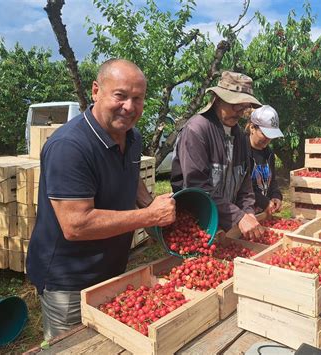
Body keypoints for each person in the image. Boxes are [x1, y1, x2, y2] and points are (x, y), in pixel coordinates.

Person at [26, 59, 176, 340]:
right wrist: (149, 216)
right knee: (74, 346)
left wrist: (148, 204)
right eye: (120, 95)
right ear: (96, 91)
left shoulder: (131, 136)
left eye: (138, 98)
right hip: (69, 280)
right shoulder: (69, 147)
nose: (129, 107)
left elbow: (130, 176)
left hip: (111, 269)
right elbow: (76, 225)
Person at [170, 71, 264, 239]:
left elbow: (244, 183)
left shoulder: (241, 138)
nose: (240, 112)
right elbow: (197, 187)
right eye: (236, 106)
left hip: (226, 225)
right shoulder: (197, 130)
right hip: (197, 226)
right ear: (218, 99)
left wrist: (248, 212)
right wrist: (238, 216)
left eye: (244, 107)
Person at [245, 105, 284, 216]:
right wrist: (263, 201)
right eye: (264, 134)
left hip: (262, 214)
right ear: (252, 128)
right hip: (245, 216)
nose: (268, 139)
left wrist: (276, 195)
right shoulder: (241, 151)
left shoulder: (269, 153)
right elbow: (241, 187)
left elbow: (272, 181)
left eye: (271, 135)